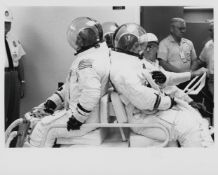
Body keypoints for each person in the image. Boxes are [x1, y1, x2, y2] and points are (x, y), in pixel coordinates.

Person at [110, 23, 213, 147]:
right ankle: (198, 163)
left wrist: (189, 76)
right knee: (190, 127)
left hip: (151, 112)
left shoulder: (134, 62)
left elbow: (166, 77)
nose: (142, 49)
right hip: (142, 119)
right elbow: (143, 99)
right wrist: (169, 102)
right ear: (128, 46)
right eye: (138, 45)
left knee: (196, 118)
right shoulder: (122, 70)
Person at [23, 17, 110, 147]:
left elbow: (91, 93)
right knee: (39, 119)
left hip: (83, 121)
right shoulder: (95, 56)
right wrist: (53, 102)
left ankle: (36, 163)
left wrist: (77, 118)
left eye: (79, 39)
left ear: (86, 41)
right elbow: (70, 86)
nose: (76, 41)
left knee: (42, 127)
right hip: (85, 115)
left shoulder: (87, 63)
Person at [157, 18, 198, 89]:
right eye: (180, 28)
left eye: (184, 28)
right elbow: (162, 63)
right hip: (173, 82)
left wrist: (190, 72)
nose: (183, 31)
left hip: (188, 80)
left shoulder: (189, 43)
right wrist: (181, 74)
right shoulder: (164, 44)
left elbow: (195, 60)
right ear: (172, 29)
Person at [4, 8, 26, 129]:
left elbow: (20, 60)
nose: (6, 25)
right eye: (3, 22)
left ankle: (12, 144)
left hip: (14, 76)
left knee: (14, 112)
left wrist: (22, 82)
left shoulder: (13, 38)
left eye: (8, 22)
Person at [198, 20, 214, 97]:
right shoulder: (208, 45)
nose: (211, 32)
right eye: (210, 30)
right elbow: (201, 60)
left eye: (213, 29)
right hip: (211, 80)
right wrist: (190, 72)